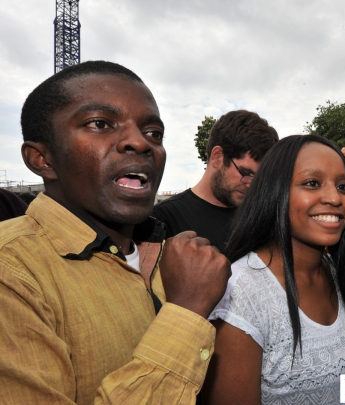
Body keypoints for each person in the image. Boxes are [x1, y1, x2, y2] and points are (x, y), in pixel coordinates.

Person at [0, 61, 231, 404]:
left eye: (153, 133)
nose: (140, 143)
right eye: (100, 124)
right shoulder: (12, 270)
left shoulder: (169, 256)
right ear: (41, 159)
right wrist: (186, 313)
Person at [202, 135, 345, 405]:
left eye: (343, 186)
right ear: (275, 191)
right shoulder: (240, 293)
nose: (335, 198)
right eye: (312, 183)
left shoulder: (337, 271)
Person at [151, 110, 278, 251]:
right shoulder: (162, 220)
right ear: (218, 157)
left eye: (258, 178)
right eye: (245, 172)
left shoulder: (256, 221)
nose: (250, 184)